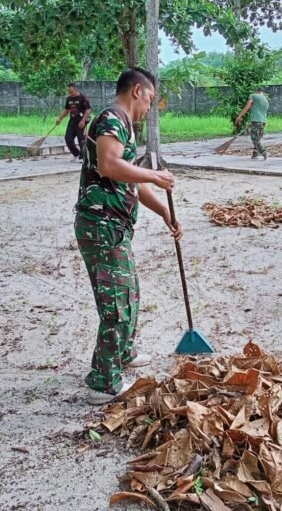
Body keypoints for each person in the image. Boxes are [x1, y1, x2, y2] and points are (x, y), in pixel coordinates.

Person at [75, 67, 183, 405]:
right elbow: (109, 165)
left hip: (114, 227)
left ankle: (122, 354)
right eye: (150, 98)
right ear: (137, 91)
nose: (150, 106)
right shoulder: (112, 119)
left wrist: (166, 214)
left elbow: (131, 182)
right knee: (117, 304)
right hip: (101, 226)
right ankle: (103, 384)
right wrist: (155, 173)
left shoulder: (124, 127)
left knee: (130, 294)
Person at [55, 83, 91, 160]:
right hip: (72, 120)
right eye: (68, 92)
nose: (70, 93)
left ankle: (84, 157)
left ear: (75, 89)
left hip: (82, 120)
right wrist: (60, 119)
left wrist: (83, 121)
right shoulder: (69, 99)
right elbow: (66, 110)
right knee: (68, 138)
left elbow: (88, 110)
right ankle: (77, 154)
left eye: (71, 92)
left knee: (81, 139)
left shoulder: (83, 98)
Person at [235, 87, 270, 160]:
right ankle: (255, 154)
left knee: (254, 139)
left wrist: (239, 116)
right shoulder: (266, 100)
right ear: (262, 92)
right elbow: (260, 112)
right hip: (263, 122)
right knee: (258, 138)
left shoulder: (253, 95)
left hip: (257, 121)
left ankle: (263, 152)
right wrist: (252, 122)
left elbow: (247, 107)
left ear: (256, 91)